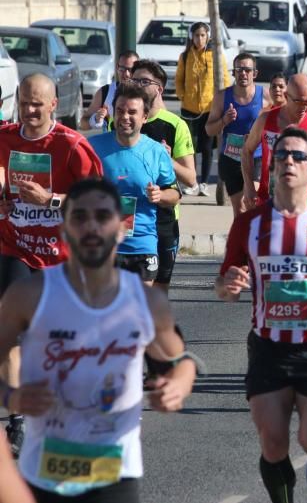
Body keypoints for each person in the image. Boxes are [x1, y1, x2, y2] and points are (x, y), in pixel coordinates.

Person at [0, 177, 196, 503]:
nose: (91, 227)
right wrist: (13, 398)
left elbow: (180, 362)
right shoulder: (29, 296)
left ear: (121, 227)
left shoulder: (145, 302)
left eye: (102, 217)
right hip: (44, 475)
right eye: (79, 217)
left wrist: (178, 385)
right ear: (64, 228)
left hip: (114, 476)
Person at [217, 127, 307, 500]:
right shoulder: (248, 224)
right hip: (268, 346)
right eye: (282, 155)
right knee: (273, 443)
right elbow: (224, 283)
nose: (288, 162)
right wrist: (229, 287)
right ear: (271, 166)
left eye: (298, 156)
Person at [0, 73, 104, 459]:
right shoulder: (5, 138)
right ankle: (18, 419)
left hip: (60, 257)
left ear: (54, 105)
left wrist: (51, 200)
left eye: (36, 104)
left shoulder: (71, 146)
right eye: (24, 102)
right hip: (16, 248)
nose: (28, 111)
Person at [88, 84, 180, 287]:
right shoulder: (93, 147)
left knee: (139, 311)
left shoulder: (156, 152)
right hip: (103, 245)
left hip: (142, 245)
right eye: (120, 111)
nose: (125, 117)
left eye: (132, 112)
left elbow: (174, 194)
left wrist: (160, 196)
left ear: (144, 117)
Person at [130, 61, 198, 294]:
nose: (137, 85)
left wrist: (167, 160)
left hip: (163, 217)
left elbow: (191, 179)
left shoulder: (175, 125)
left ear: (159, 88)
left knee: (158, 292)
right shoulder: (121, 120)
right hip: (129, 214)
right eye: (134, 80)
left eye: (144, 81)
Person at [241, 74, 307, 207]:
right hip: (270, 199)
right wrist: (249, 187)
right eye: (299, 102)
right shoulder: (265, 119)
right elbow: (247, 150)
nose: (304, 108)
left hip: (306, 200)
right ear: (286, 95)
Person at [206, 53, 272, 216]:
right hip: (231, 158)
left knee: (253, 203)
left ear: (255, 73)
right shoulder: (222, 97)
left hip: (256, 157)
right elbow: (209, 130)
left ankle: (255, 239)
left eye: (247, 70)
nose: (243, 73)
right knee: (240, 209)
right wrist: (224, 121)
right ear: (233, 73)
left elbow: (276, 125)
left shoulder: (265, 96)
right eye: (239, 69)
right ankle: (241, 240)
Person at [176, 21, 230, 195]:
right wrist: (183, 96)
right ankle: (190, 182)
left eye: (202, 35)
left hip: (209, 108)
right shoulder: (185, 56)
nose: (199, 39)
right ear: (191, 37)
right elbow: (179, 79)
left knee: (207, 147)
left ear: (208, 37)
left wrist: (222, 101)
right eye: (196, 35)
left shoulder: (216, 56)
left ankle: (204, 183)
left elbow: (225, 79)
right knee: (187, 146)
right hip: (189, 108)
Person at [85, 50, 139, 131]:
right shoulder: (105, 91)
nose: (127, 74)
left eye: (131, 70)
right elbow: (83, 123)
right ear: (117, 67)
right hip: (110, 142)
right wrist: (95, 118)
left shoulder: (145, 92)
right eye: (122, 69)